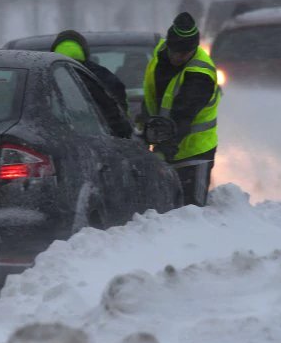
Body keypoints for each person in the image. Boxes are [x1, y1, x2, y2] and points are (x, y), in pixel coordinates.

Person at [142, 12, 219, 207]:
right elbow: (154, 97)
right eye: (174, 51)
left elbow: (183, 115)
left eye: (184, 54)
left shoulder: (200, 75)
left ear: (194, 49)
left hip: (194, 154)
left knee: (190, 213)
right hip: (168, 145)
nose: (177, 57)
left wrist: (166, 145)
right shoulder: (161, 52)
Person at [50, 30, 131, 137]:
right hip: (100, 143)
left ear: (52, 52)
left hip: (55, 142)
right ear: (85, 52)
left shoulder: (43, 75)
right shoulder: (101, 76)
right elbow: (120, 117)